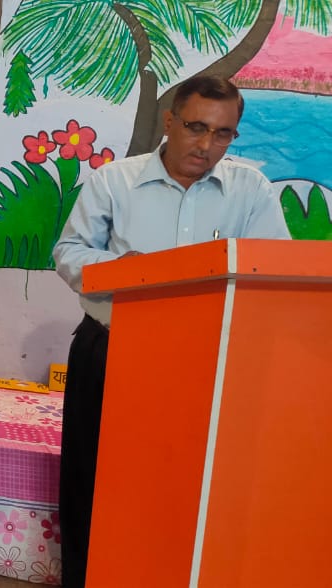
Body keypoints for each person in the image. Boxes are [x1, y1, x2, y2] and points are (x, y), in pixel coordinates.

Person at [52, 75, 290, 587]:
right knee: (94, 483)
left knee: (190, 487)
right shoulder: (113, 182)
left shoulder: (251, 191)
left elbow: (271, 269)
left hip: (210, 364)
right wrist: (122, 270)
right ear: (170, 121)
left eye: (223, 133)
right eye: (196, 127)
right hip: (114, 351)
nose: (206, 145)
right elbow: (68, 253)